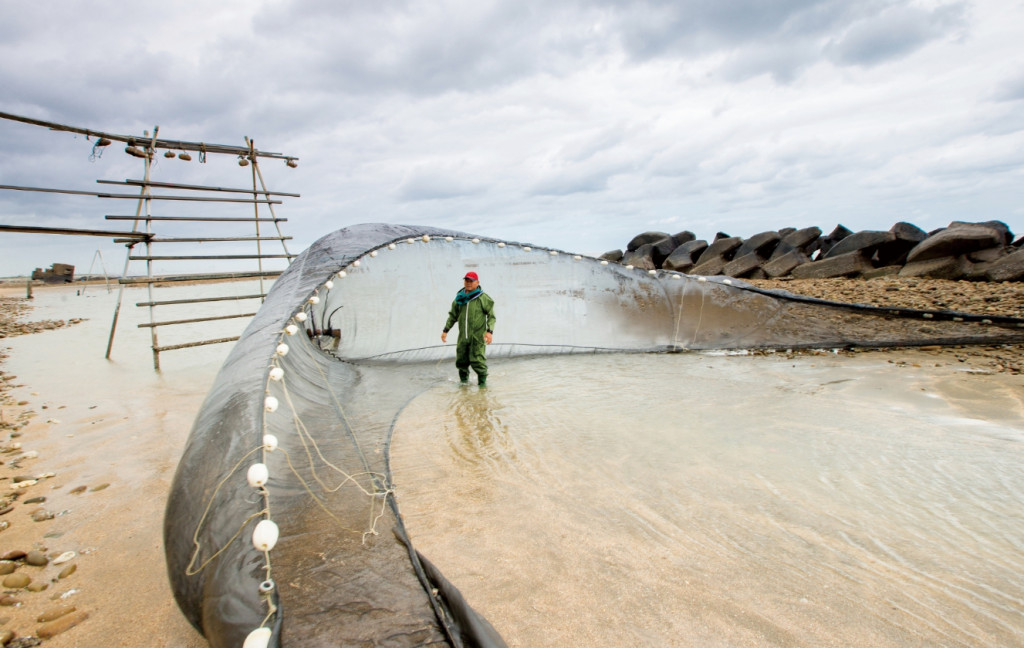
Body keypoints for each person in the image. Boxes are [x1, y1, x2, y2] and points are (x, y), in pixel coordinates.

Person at [441, 271, 495, 386]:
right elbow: (453, 316)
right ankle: (464, 385)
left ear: (477, 282)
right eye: (466, 280)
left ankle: (482, 386)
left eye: (471, 281)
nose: (468, 283)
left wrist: (489, 332)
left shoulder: (483, 298)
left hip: (477, 338)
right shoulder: (459, 298)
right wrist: (445, 330)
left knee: (478, 362)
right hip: (462, 338)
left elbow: (491, 316)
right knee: (461, 361)